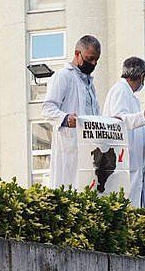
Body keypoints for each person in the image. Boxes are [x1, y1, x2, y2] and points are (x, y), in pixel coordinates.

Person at [42, 35, 102, 189]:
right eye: (90, 59)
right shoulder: (63, 76)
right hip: (70, 147)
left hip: (89, 149)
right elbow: (47, 108)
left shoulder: (89, 84)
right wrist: (66, 118)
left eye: (96, 60)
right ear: (77, 54)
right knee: (71, 188)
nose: (93, 63)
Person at [102, 56, 145, 208]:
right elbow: (118, 122)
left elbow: (133, 129)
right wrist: (143, 116)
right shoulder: (120, 91)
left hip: (134, 163)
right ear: (142, 76)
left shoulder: (130, 96)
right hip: (125, 163)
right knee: (128, 205)